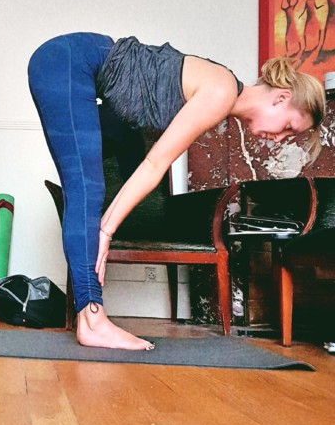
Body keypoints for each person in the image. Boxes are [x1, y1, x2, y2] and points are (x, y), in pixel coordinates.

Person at [28, 32, 325, 351]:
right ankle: (92, 320)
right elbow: (156, 163)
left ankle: (89, 309)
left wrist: (107, 226)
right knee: (87, 190)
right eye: (288, 127)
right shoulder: (222, 91)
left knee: (106, 179)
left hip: (82, 67)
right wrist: (105, 230)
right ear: (280, 98)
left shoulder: (223, 91)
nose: (280, 139)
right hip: (70, 61)